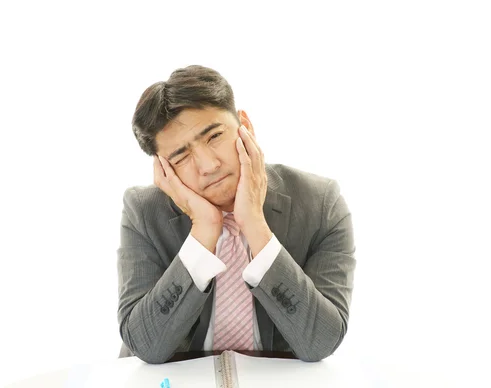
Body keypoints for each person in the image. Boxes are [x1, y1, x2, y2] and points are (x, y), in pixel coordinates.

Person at [117, 65, 356, 364]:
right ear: (163, 169)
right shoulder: (143, 210)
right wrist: (204, 230)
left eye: (214, 136)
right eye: (181, 156)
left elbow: (320, 343)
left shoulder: (321, 203)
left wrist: (255, 226)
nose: (208, 165)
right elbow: (145, 346)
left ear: (245, 125)